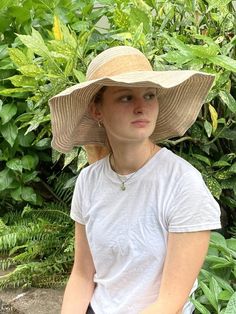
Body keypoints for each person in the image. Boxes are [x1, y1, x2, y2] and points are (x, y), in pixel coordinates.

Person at [49, 46, 221, 314]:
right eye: (126, 97)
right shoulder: (89, 181)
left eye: (149, 95)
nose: (142, 107)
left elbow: (169, 303)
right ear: (97, 111)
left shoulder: (183, 184)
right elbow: (82, 275)